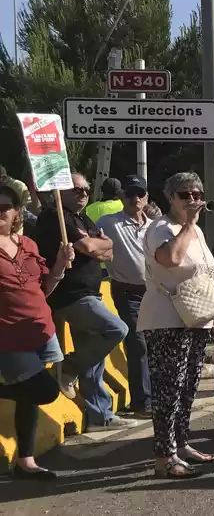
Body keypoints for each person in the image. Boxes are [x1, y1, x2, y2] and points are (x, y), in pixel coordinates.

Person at [31, 172, 132, 431]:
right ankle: (69, 367)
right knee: (116, 329)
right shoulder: (56, 216)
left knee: (95, 359)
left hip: (89, 292)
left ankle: (100, 416)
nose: (83, 193)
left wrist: (99, 244)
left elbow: (108, 251)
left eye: (86, 189)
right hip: (69, 295)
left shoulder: (83, 218)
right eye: (76, 189)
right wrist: (98, 244)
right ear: (61, 191)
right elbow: (89, 247)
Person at [139, 172, 214, 478]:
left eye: (197, 194)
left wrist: (207, 317)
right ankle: (164, 455)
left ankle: (181, 443)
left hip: (193, 319)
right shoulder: (161, 228)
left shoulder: (195, 231)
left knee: (188, 388)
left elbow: (203, 274)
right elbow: (170, 259)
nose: (193, 200)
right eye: (185, 195)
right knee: (168, 390)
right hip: (166, 319)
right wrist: (188, 225)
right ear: (170, 197)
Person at [0, 184, 74, 480]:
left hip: (41, 329)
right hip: (9, 335)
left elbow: (44, 288)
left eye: (4, 207)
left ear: (17, 211)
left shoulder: (27, 244)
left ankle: (25, 460)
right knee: (44, 391)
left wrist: (59, 265)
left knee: (28, 396)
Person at [95, 174, 153, 415]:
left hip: (156, 292)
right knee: (137, 343)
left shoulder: (155, 226)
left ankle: (158, 395)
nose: (135, 198)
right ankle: (143, 401)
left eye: (140, 193)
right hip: (127, 291)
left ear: (146, 197)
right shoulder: (109, 223)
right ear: (122, 196)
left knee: (154, 344)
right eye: (130, 193)